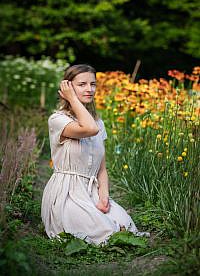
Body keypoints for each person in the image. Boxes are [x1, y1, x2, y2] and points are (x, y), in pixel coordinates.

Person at [41, 64, 149, 245]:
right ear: (68, 88)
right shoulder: (58, 120)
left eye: (93, 84)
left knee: (125, 225)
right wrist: (72, 99)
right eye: (82, 84)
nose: (89, 89)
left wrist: (104, 196)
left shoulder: (99, 122)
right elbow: (89, 129)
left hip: (90, 190)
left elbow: (102, 168)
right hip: (66, 193)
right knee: (103, 232)